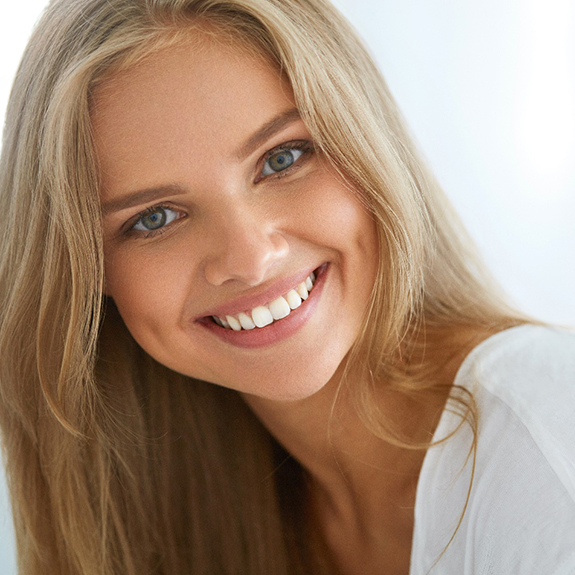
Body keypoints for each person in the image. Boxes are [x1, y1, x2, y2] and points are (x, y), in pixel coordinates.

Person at [0, 0, 573, 574]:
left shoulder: (548, 443)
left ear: (365, 141)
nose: (250, 259)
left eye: (283, 158)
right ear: (85, 272)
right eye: (155, 217)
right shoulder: (174, 509)